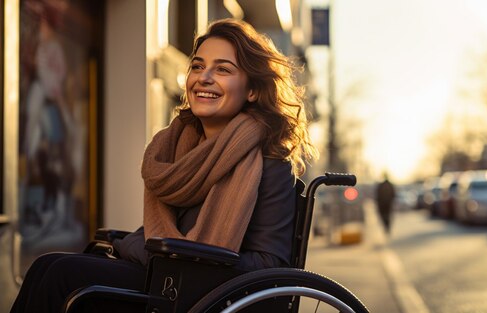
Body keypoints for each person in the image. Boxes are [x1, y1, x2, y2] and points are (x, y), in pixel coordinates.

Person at [11, 18, 318, 313]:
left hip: (200, 293)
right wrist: (152, 250)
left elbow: (271, 268)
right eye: (198, 66)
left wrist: (177, 256)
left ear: (252, 90)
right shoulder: (178, 148)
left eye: (222, 70)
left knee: (61, 274)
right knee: (46, 265)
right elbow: (158, 238)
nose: (204, 78)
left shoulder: (269, 163)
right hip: (165, 276)